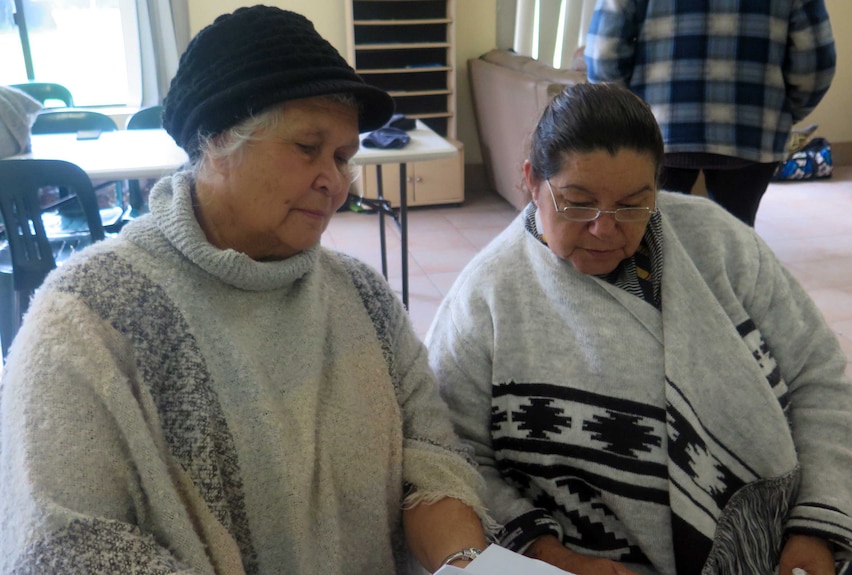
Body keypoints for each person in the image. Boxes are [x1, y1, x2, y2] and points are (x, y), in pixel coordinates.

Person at [0, 6, 493, 574]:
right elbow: (64, 546)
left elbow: (432, 454)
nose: (334, 182)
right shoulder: (88, 317)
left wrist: (465, 563)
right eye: (308, 148)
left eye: (341, 157)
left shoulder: (363, 297)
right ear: (215, 143)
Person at [424, 83, 852, 575]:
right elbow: (453, 456)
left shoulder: (720, 246)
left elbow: (815, 376)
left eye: (633, 204)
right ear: (530, 180)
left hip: (770, 550)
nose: (605, 228)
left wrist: (814, 526)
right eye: (577, 202)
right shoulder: (485, 297)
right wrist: (549, 555)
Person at [584, 0, 836, 226]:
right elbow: (816, 62)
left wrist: (628, 116)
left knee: (651, 242)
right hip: (754, 130)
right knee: (736, 244)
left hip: (655, 130)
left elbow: (604, 53)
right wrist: (783, 114)